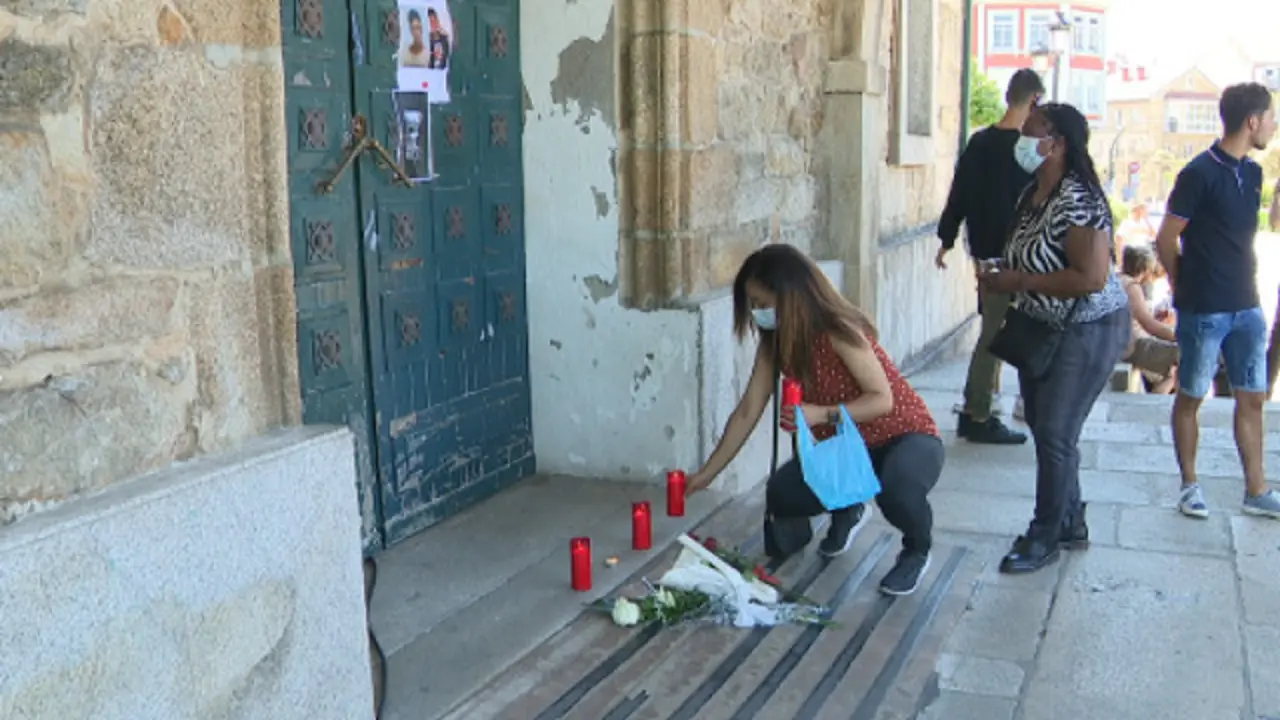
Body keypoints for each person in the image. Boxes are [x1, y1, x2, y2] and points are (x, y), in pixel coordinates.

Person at [686, 244, 944, 596]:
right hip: (845, 450)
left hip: (903, 436)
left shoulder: (839, 331)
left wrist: (821, 414)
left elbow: (881, 400)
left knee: (897, 489)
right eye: (753, 305)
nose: (758, 313)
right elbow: (748, 410)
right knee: (781, 493)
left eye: (764, 303)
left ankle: (917, 549)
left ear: (791, 297)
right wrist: (707, 474)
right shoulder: (774, 346)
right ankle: (849, 507)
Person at [977, 103, 1130, 574]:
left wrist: (1018, 281)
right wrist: (1004, 271)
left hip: (1087, 328)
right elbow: (1032, 255)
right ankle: (1070, 520)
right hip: (1042, 324)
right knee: (1047, 428)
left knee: (1056, 432)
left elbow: (1090, 277)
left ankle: (1044, 535)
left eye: (1030, 132)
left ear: (1057, 143)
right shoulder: (1034, 192)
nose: (1021, 140)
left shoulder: (1079, 198)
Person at [1154, 82, 1280, 519]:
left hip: (1248, 307)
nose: (1274, 125)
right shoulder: (1198, 173)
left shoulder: (1255, 173)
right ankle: (1190, 485)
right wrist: (1182, 285)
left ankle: (1257, 489)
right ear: (1252, 121)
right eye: (1271, 117)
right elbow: (1166, 238)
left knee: (1252, 397)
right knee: (1190, 395)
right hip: (1205, 309)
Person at [937, 69, 1046, 445]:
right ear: (1034, 101)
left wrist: (946, 237)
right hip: (1011, 260)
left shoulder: (980, 142)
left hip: (983, 254)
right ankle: (978, 412)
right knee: (994, 335)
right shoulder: (1026, 151)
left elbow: (959, 191)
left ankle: (984, 407)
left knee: (994, 329)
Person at [1119, 245, 1179, 393]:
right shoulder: (1132, 286)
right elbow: (1149, 325)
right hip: (1131, 345)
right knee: (1180, 360)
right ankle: (1155, 405)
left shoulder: (1118, 280)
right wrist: (1178, 336)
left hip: (1125, 342)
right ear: (1145, 269)